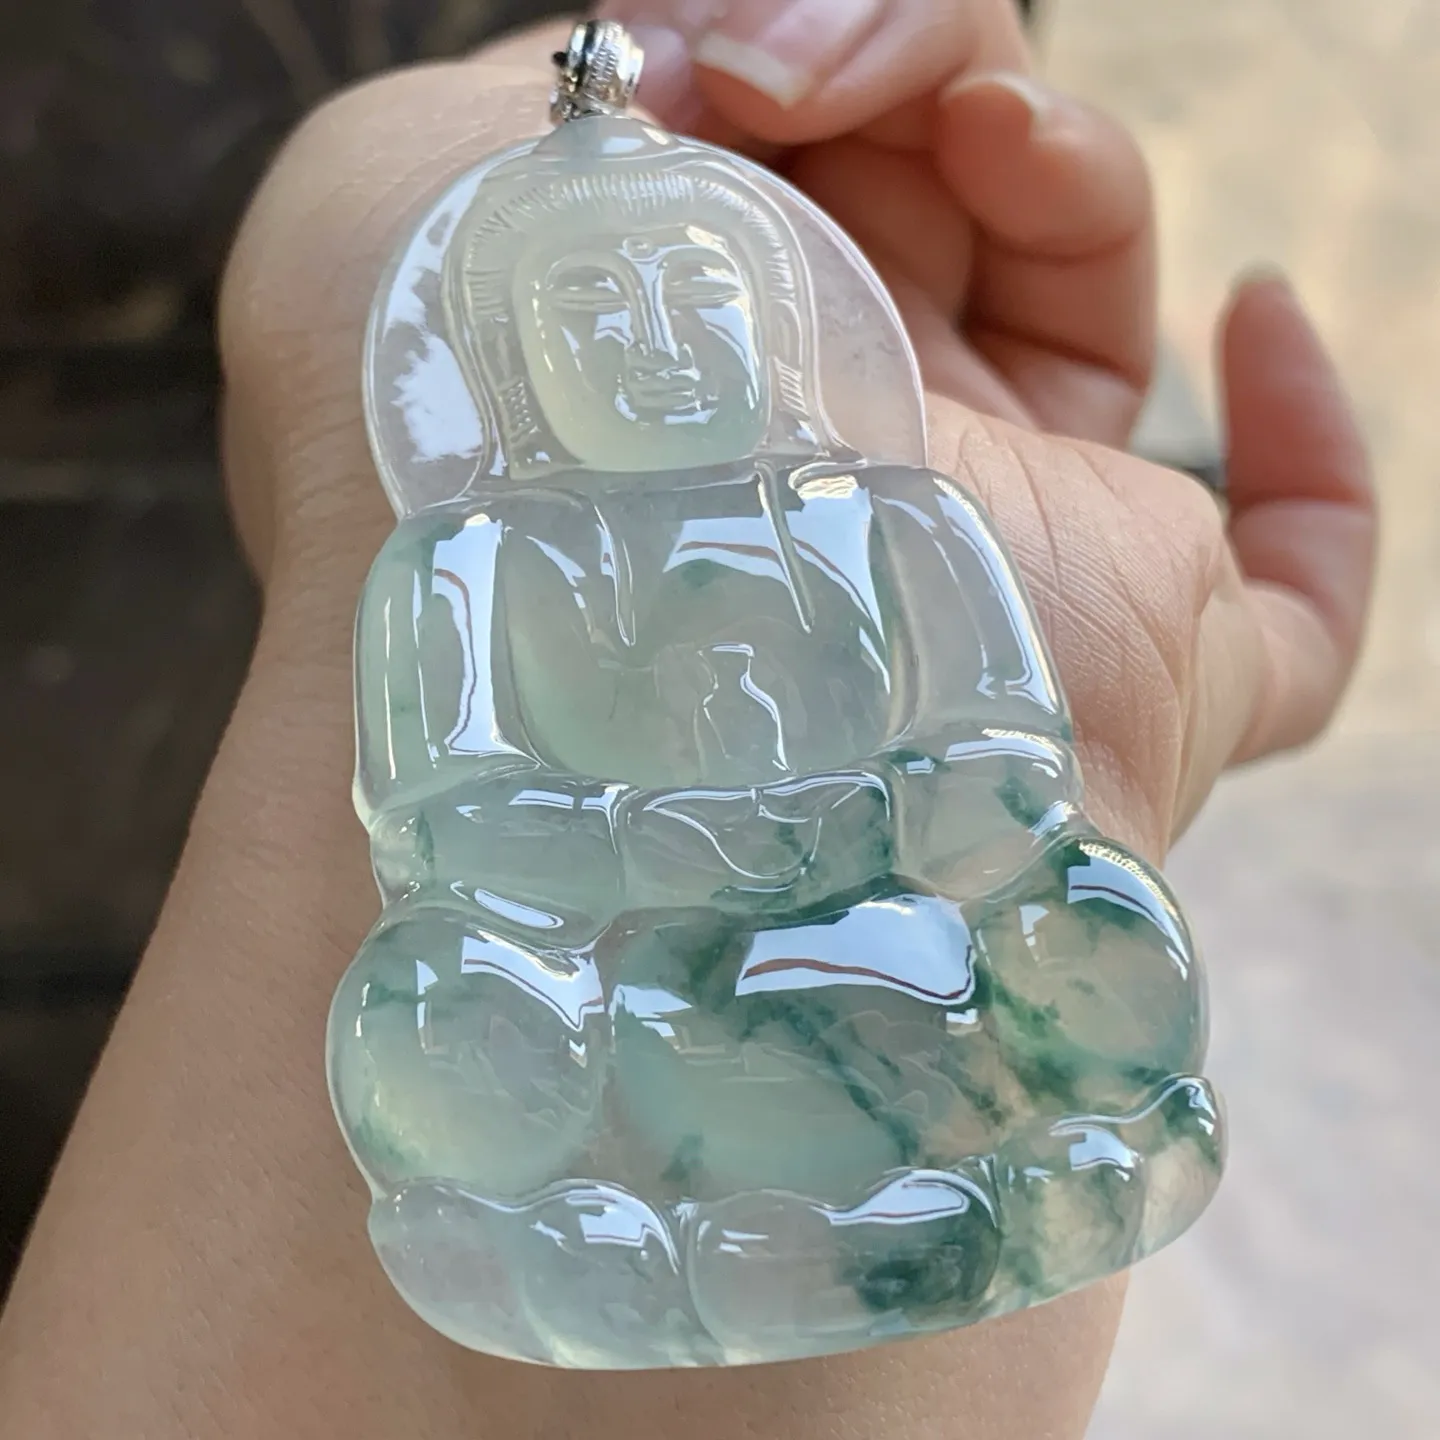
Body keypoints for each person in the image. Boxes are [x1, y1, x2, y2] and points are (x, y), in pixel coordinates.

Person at [0, 5, 1374, 1437]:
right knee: (447, 997)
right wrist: (651, 836)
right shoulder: (471, 555)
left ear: (775, 320)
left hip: (900, 954)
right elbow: (444, 824)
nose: (656, 340)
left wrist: (881, 811)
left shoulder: (892, 512)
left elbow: (1009, 758)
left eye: (696, 290)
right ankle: (883, 1213)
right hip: (628, 986)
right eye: (593, 306)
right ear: (513, 357)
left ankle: (847, 1211)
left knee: (1087, 910)